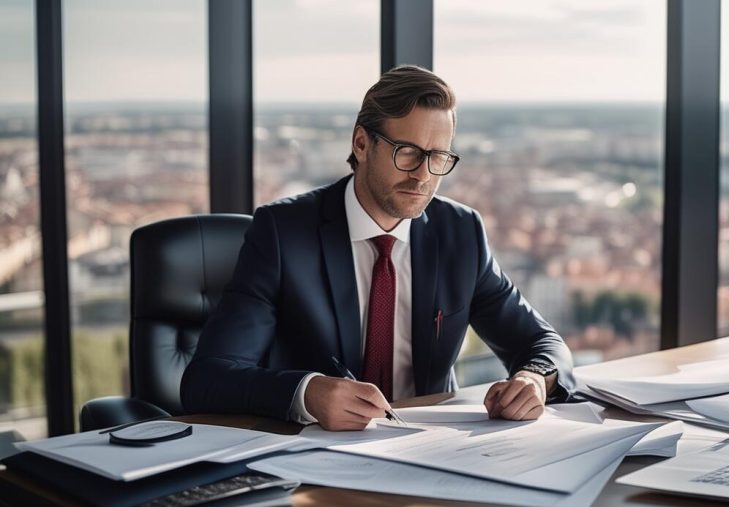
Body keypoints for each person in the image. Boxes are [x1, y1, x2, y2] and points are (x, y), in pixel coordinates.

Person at [180, 65, 575, 431]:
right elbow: (208, 378)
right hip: (316, 459)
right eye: (407, 152)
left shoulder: (460, 233)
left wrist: (534, 378)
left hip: (433, 450)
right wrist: (308, 393)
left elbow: (544, 344)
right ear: (361, 142)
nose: (422, 174)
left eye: (438, 157)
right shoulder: (284, 233)